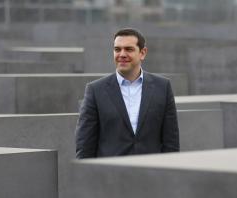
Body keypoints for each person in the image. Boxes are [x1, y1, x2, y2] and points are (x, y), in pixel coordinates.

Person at [75, 28, 179, 158]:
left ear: (143, 53)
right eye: (117, 49)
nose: (122, 54)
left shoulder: (163, 87)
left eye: (129, 49)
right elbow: (85, 145)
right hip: (110, 175)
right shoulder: (95, 90)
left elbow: (171, 143)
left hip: (152, 173)